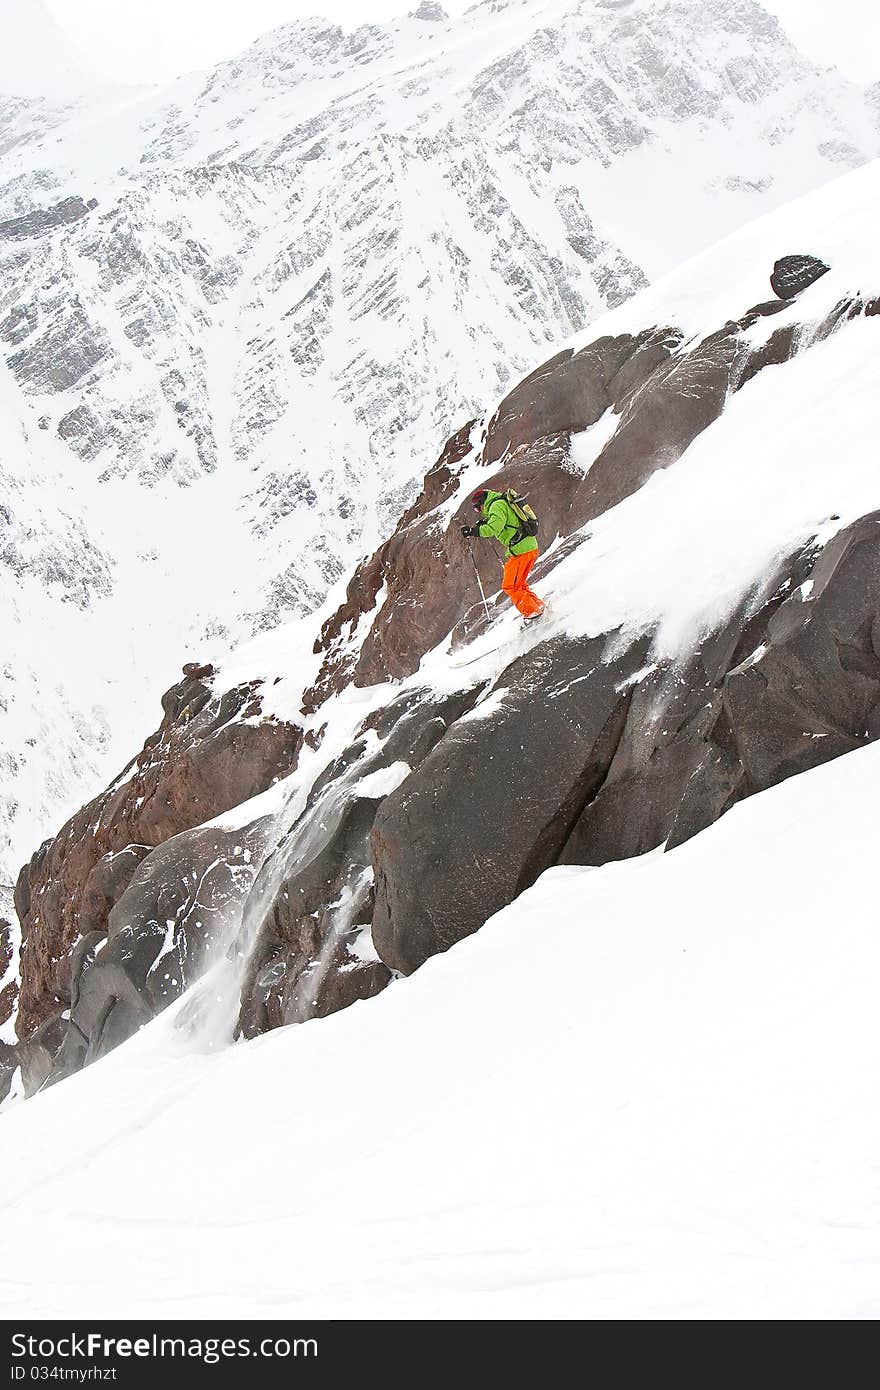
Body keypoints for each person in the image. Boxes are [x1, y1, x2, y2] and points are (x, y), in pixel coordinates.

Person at [460, 488, 545, 620]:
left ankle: (533, 613)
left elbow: (493, 528)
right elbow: (504, 521)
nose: (479, 511)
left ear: (482, 502)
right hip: (527, 547)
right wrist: (486, 522)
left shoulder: (496, 506)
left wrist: (473, 531)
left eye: (477, 508)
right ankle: (538, 607)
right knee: (519, 585)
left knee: (510, 585)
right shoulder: (501, 502)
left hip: (521, 550)